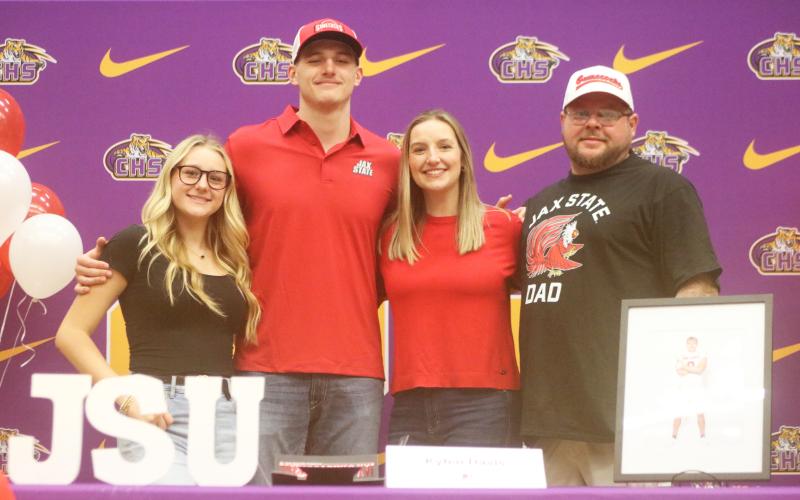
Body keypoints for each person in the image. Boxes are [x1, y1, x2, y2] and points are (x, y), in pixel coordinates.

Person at [76, 18, 399, 484]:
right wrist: (106, 264)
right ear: (292, 72)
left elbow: (421, 241)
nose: (328, 68)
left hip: (357, 374)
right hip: (262, 371)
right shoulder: (247, 147)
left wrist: (493, 219)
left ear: (358, 74)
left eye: (342, 60)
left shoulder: (388, 159)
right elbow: (199, 228)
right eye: (315, 59)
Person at [517, 65, 722, 486]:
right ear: (562, 123)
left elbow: (697, 292)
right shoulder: (539, 204)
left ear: (632, 124)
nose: (592, 123)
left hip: (630, 426)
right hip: (547, 425)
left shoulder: (664, 190)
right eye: (580, 113)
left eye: (608, 114)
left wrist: (682, 393)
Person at [56, 135, 260, 484]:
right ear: (170, 177)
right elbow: (70, 334)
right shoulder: (134, 243)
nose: (202, 185)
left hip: (226, 419)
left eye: (216, 178)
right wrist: (124, 397)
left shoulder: (234, 258)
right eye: (191, 173)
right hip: (156, 414)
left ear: (227, 190)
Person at [380, 110, 521, 447]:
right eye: (419, 149)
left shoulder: (503, 226)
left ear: (463, 158)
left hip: (485, 405)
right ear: (407, 164)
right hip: (410, 405)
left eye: (444, 146)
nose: (433, 158)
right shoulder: (389, 237)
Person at [672, 336, 707, 440]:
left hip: (697, 389)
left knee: (700, 413)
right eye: (689, 343)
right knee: (678, 412)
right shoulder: (681, 356)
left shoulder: (702, 355)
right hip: (684, 388)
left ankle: (703, 436)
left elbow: (700, 370)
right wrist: (694, 369)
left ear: (697, 344)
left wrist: (685, 367)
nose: (691, 345)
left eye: (693, 343)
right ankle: (674, 436)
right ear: (686, 344)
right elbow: (680, 372)